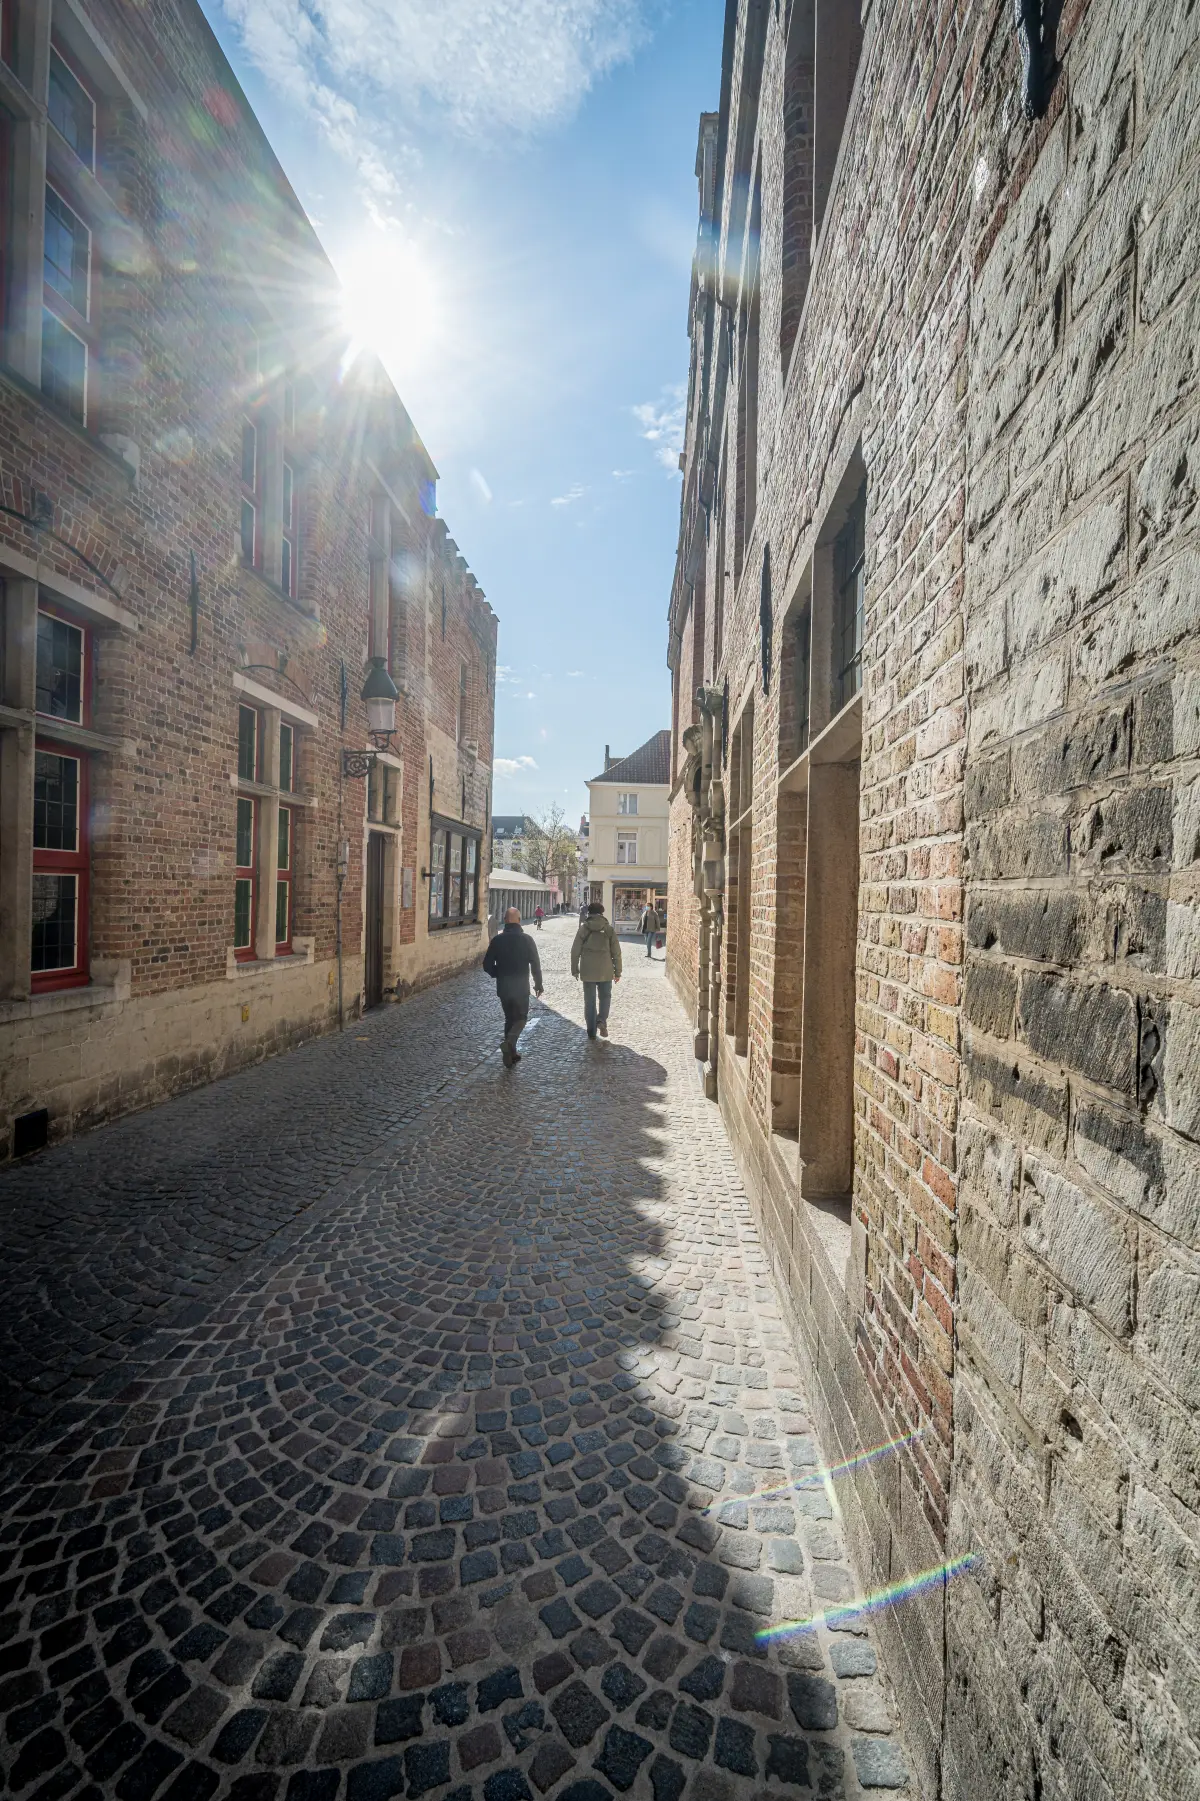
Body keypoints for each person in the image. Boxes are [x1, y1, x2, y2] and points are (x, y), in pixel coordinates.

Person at [483, 906, 543, 1067]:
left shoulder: (497, 940)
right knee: (521, 1018)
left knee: (509, 1018)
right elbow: (535, 965)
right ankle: (509, 1042)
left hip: (503, 986)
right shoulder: (527, 939)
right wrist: (538, 984)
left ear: (505, 920)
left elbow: (487, 965)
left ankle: (511, 1054)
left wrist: (499, 973)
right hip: (521, 986)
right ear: (519, 920)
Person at [571, 900, 622, 1040]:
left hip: (588, 970)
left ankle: (591, 1031)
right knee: (605, 997)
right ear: (602, 912)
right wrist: (618, 972)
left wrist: (575, 969)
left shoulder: (583, 928)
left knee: (590, 1001)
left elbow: (575, 950)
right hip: (605, 970)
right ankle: (602, 1020)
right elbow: (616, 952)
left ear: (589, 913)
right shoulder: (608, 929)